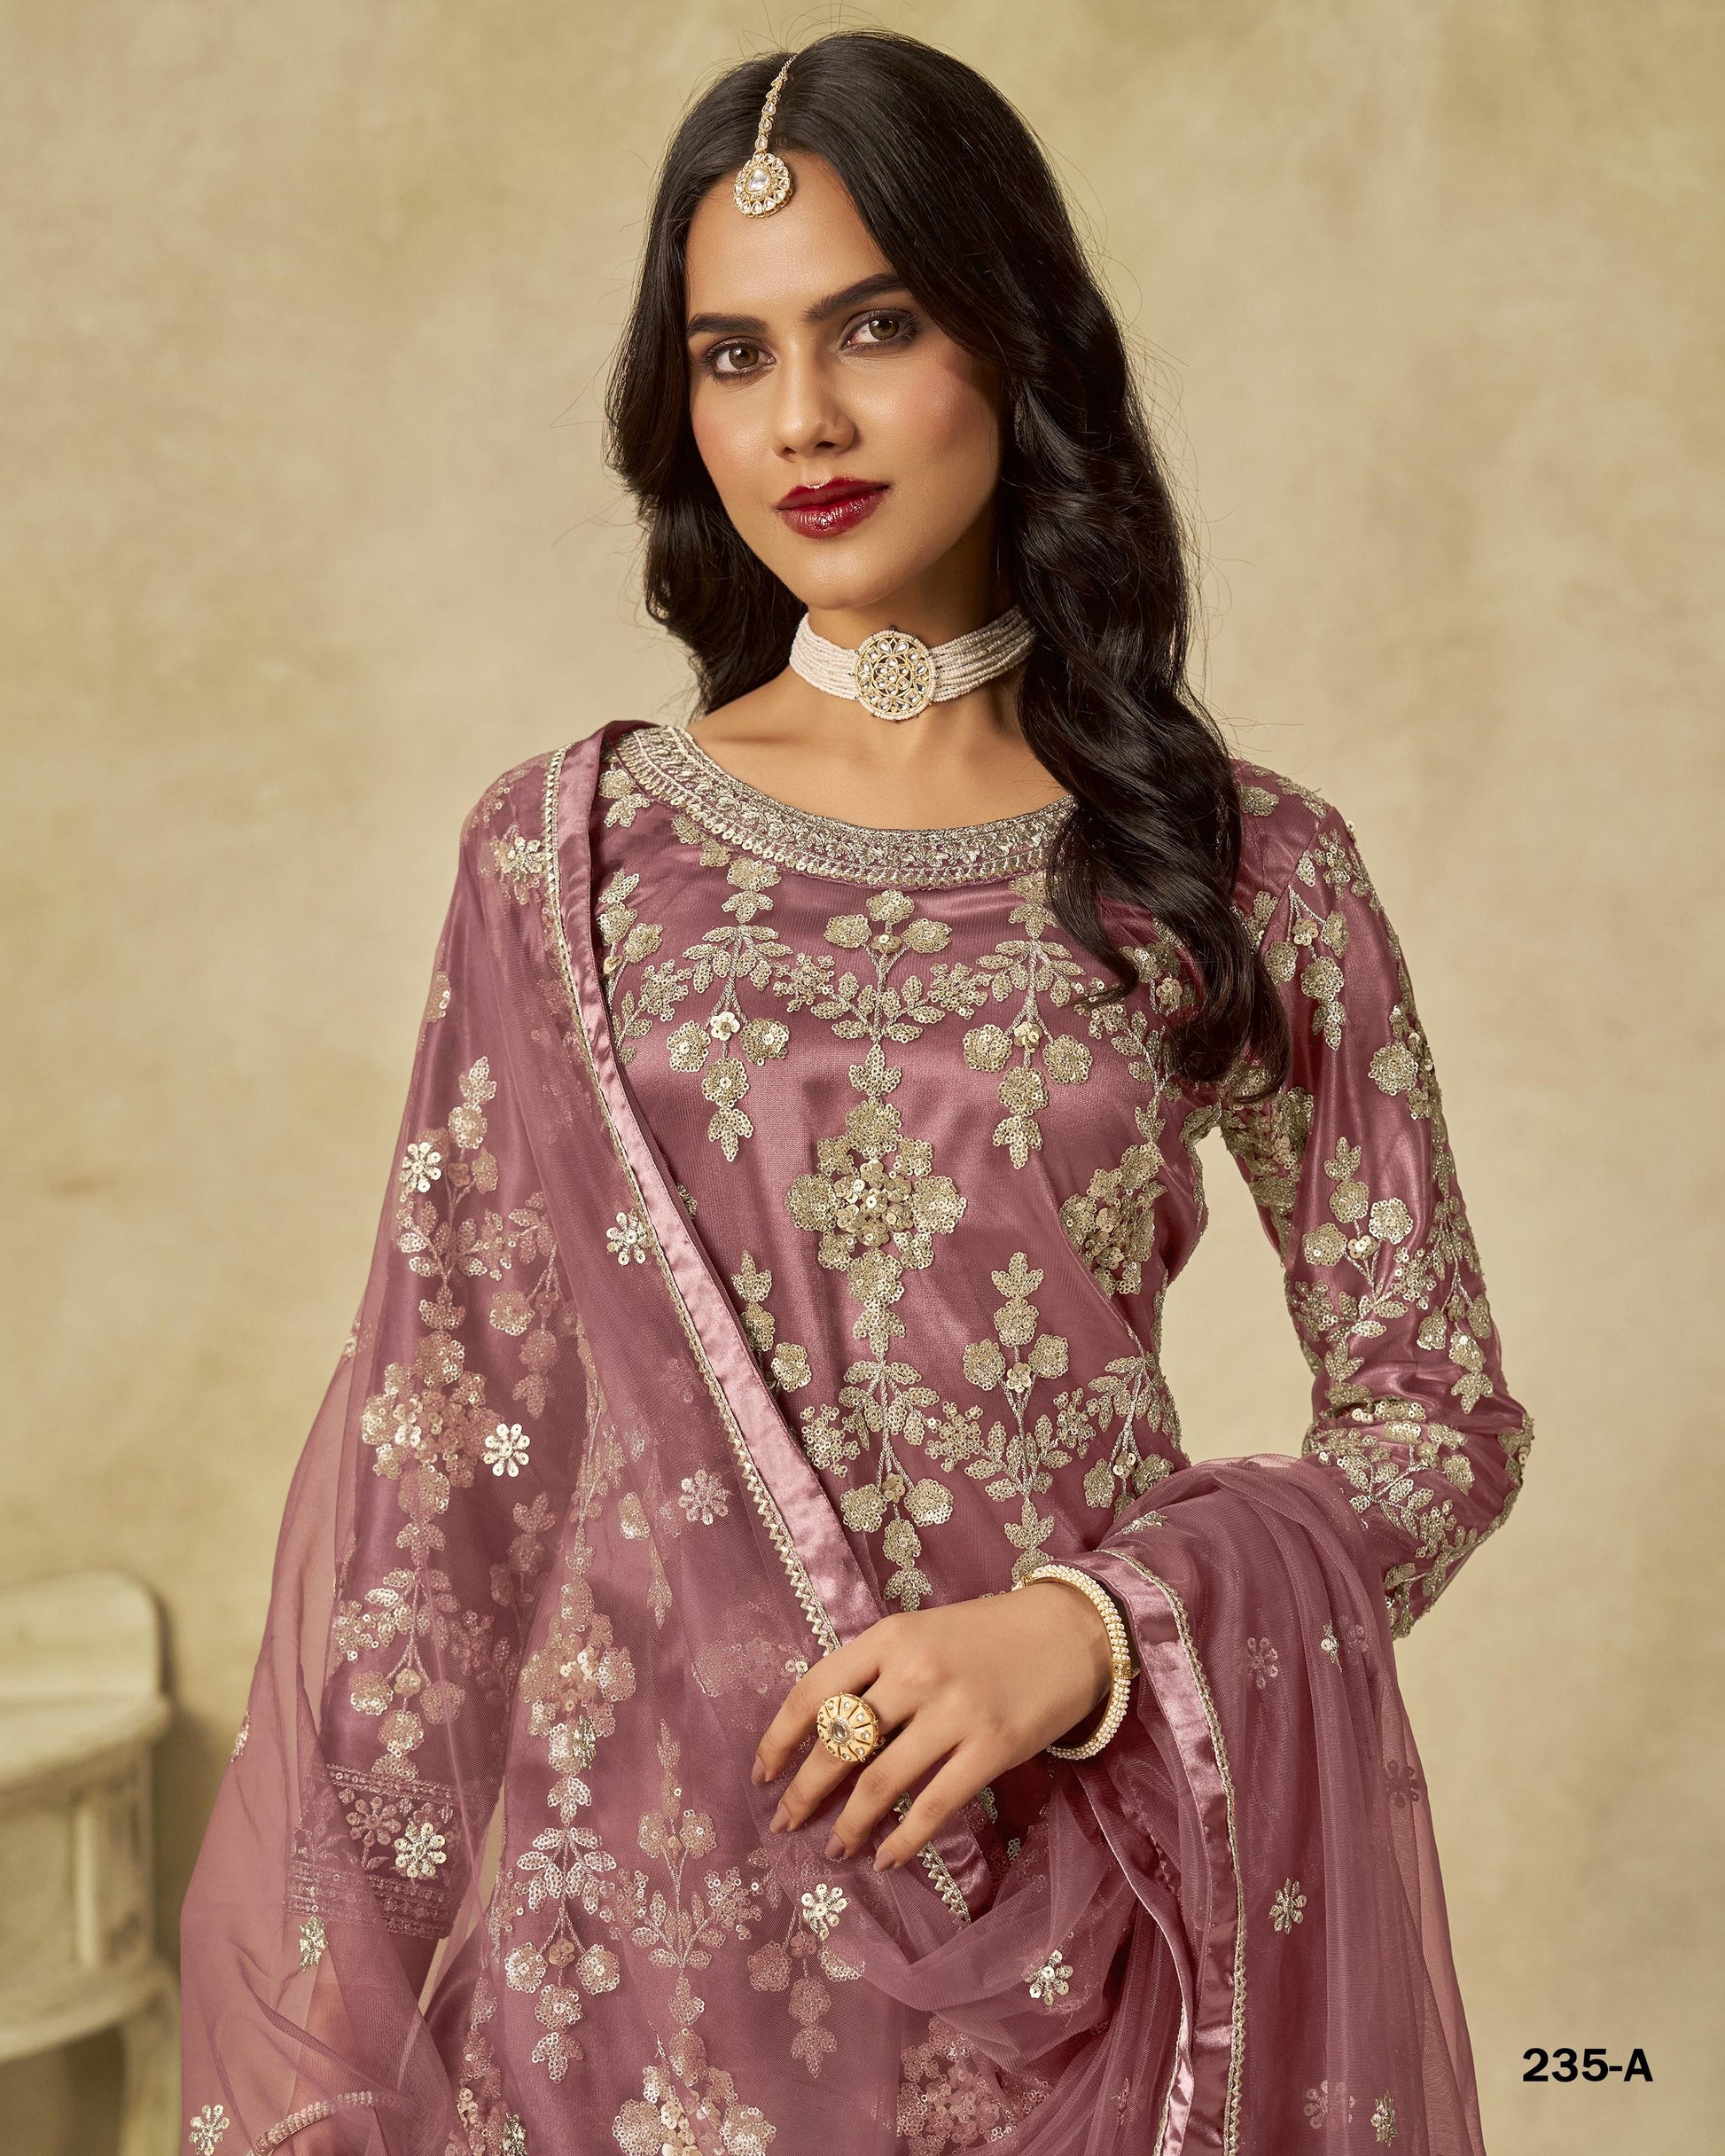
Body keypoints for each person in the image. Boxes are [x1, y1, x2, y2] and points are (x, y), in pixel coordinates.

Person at [180, 31, 1535, 2156]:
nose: (798, 419)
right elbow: (441, 1491)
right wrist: (331, 2060)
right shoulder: (567, 859)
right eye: (731, 353)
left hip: (1073, 1933)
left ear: (1013, 337)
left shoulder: (1244, 864)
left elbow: (1435, 1414)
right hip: (623, 1961)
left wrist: (1084, 1633)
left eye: (875, 328)